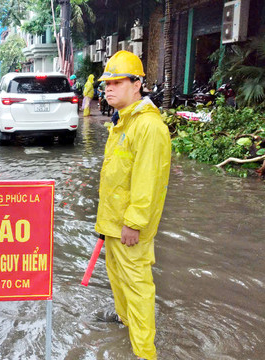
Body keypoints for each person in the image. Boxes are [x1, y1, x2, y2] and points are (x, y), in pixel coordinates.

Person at [94, 50, 171, 360]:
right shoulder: (123, 122)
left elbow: (147, 181)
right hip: (113, 222)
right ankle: (124, 319)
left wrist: (134, 223)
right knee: (117, 277)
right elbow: (115, 177)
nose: (108, 89)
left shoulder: (149, 127)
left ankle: (144, 352)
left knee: (137, 286)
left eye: (116, 82)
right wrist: (104, 224)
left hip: (129, 226)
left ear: (137, 84)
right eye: (105, 84)